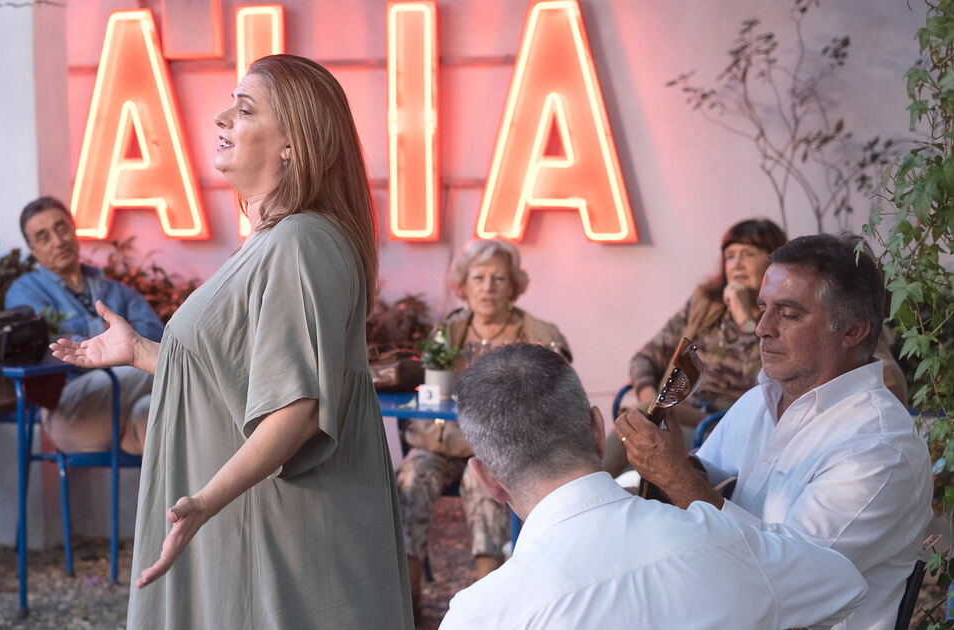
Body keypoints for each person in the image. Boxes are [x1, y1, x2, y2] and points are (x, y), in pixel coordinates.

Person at [52, 54, 412, 628]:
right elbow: (243, 379)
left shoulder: (300, 243)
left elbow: (297, 409)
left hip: (280, 531)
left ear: (292, 143)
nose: (221, 119)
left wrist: (205, 502)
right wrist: (141, 352)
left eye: (244, 110)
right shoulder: (278, 241)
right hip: (261, 524)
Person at [617, 234, 933, 630]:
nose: (762, 328)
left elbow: (780, 584)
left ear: (852, 331)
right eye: (763, 308)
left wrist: (676, 477)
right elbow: (703, 487)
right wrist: (657, 474)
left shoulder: (880, 448)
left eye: (788, 313)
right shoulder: (759, 401)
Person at [440, 343, 867, 629]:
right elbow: (844, 585)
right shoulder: (725, 540)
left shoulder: (481, 615)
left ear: (488, 480)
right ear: (597, 431)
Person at [610, 219, 907, 476]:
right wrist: (652, 399)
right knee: (639, 425)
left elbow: (774, 379)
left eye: (748, 254)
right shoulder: (706, 303)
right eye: (730, 256)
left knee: (642, 428)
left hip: (718, 420)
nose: (736, 264)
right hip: (686, 412)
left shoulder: (811, 320)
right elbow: (645, 357)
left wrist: (745, 318)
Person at [396, 238, 570, 612]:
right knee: (412, 475)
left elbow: (558, 383)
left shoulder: (534, 332)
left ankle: (489, 604)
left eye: (498, 278)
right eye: (479, 278)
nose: (488, 287)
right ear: (464, 285)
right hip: (443, 442)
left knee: (484, 480)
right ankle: (408, 602)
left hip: (499, 447)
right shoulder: (450, 330)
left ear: (513, 287)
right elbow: (424, 384)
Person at [4, 196, 162, 455]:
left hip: (123, 402)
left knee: (155, 417)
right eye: (44, 237)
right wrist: (116, 337)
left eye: (61, 228)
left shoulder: (116, 291)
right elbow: (53, 344)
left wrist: (90, 336)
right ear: (33, 250)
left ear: (73, 229)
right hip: (68, 408)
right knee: (163, 364)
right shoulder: (24, 292)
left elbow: (155, 335)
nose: (58, 241)